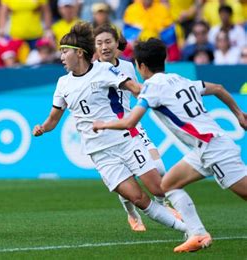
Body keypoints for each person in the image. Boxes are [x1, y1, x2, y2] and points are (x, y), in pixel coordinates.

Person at [33, 22, 187, 238]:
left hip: (126, 139)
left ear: (78, 53)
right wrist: (42, 128)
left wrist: (158, 97)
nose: (61, 57)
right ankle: (188, 231)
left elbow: (134, 88)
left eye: (64, 51)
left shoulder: (104, 69)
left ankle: (192, 226)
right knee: (138, 199)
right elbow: (53, 119)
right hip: (100, 153)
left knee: (159, 188)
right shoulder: (62, 84)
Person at [93, 38, 247, 252]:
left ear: (141, 66)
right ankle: (198, 234)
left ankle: (198, 233)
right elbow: (219, 88)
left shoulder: (151, 88)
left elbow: (129, 122)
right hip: (203, 148)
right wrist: (239, 114)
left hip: (214, 149)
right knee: (168, 185)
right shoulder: (179, 79)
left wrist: (103, 124)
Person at [93, 24, 180, 232]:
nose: (104, 47)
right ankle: (132, 214)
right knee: (126, 179)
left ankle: (162, 205)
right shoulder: (91, 71)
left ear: (116, 44)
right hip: (108, 131)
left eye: (108, 42)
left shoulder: (128, 67)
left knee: (158, 167)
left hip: (131, 124)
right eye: (99, 43)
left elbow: (137, 93)